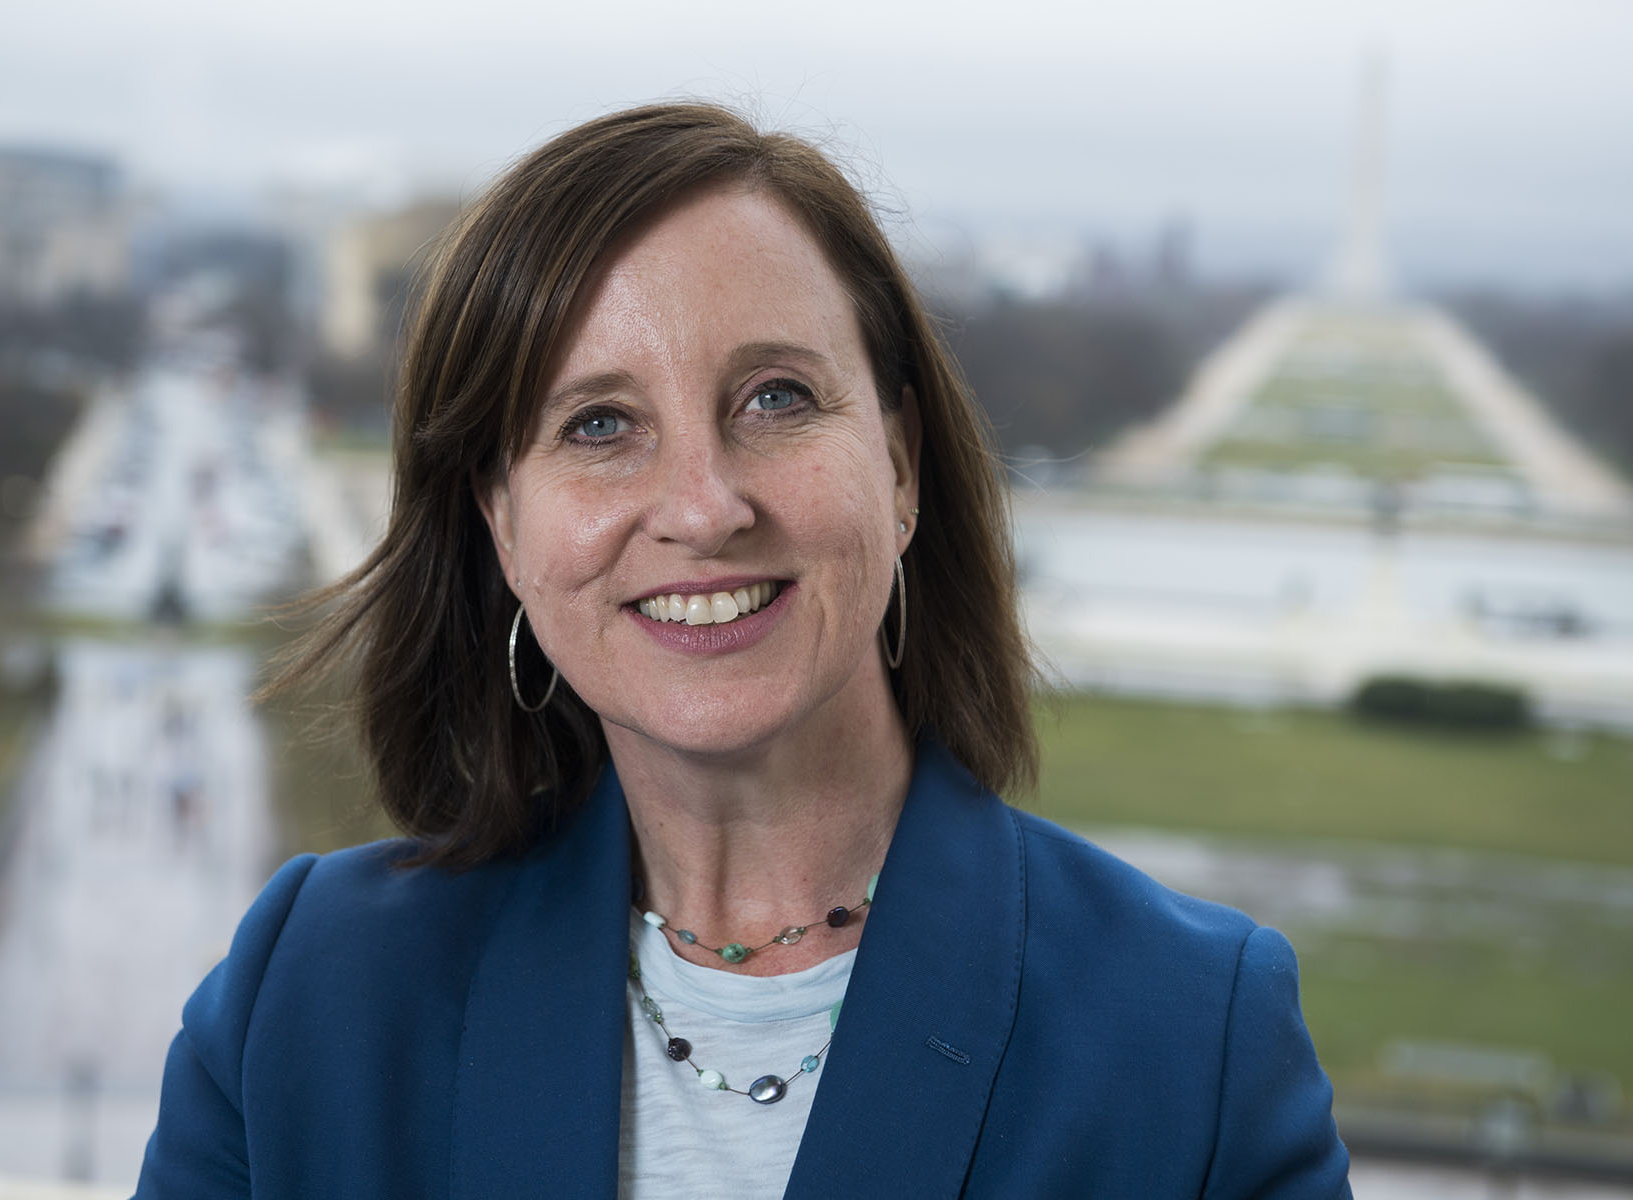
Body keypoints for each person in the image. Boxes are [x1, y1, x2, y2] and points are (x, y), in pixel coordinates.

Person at [134, 102, 1351, 1198]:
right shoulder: (310, 999)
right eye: (599, 424)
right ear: (502, 524)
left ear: (901, 465)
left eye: (775, 398)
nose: (705, 507)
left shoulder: (1192, 1042)